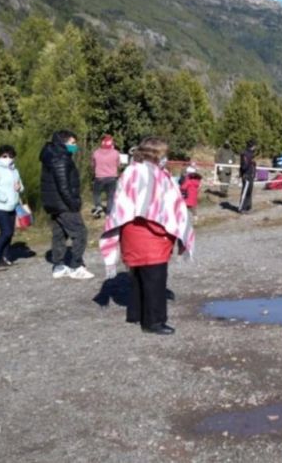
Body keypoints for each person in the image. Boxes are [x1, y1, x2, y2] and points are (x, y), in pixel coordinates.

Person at [99, 137, 194, 335]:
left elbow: (120, 203)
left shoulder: (130, 171)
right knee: (155, 280)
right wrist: (172, 230)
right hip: (152, 232)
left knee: (137, 276)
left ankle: (135, 314)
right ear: (157, 153)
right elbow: (163, 206)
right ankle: (154, 322)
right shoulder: (155, 174)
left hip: (131, 231)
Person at [40, 130, 93, 280]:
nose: (75, 146)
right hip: (63, 204)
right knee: (80, 233)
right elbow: (63, 185)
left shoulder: (51, 155)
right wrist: (73, 203)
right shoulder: (60, 158)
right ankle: (76, 266)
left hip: (53, 203)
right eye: (72, 143)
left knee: (59, 234)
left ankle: (58, 265)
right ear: (63, 142)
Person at [0, 144, 23, 271]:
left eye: (11, 156)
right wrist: (4, 198)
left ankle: (4, 257)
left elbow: (20, 186)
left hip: (12, 206)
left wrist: (19, 188)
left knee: (10, 233)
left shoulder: (14, 170)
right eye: (4, 156)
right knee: (6, 232)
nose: (8, 158)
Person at [91, 134, 120, 218]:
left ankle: (98, 206)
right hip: (112, 177)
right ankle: (109, 213)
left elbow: (93, 165)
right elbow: (118, 165)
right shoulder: (116, 153)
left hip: (99, 176)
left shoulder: (96, 152)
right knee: (111, 195)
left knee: (96, 193)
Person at [238, 139, 257, 213]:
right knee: (245, 191)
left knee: (249, 191)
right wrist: (250, 163)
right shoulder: (245, 154)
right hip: (246, 175)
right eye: (254, 146)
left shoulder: (251, 153)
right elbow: (244, 166)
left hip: (251, 175)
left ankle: (248, 207)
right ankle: (242, 208)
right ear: (252, 146)